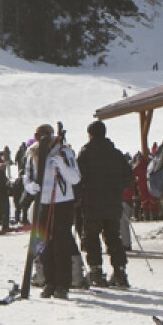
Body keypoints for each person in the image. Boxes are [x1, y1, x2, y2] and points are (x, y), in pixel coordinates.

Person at [23, 124, 81, 299]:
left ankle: (63, 284)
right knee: (43, 244)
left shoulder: (64, 152)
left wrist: (62, 166)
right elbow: (26, 176)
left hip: (62, 203)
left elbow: (75, 178)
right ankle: (49, 281)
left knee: (61, 244)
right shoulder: (32, 154)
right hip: (43, 203)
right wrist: (30, 187)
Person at [77, 120, 135, 288]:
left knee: (92, 238)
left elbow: (78, 178)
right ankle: (120, 272)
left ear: (90, 134)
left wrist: (80, 196)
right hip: (113, 202)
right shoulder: (116, 153)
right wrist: (117, 189)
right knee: (113, 238)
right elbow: (129, 177)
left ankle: (96, 272)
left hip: (92, 203)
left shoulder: (85, 153)